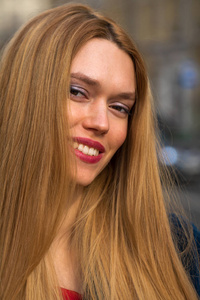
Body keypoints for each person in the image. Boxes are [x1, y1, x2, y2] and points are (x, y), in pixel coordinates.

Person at [0, 3, 199, 300]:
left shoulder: (178, 249)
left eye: (120, 107)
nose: (102, 123)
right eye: (77, 92)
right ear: (25, 93)